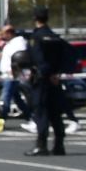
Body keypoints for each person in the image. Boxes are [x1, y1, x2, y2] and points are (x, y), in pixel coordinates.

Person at [17, 15, 72, 156]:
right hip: (55, 80)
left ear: (35, 19)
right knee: (55, 113)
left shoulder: (36, 38)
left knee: (41, 110)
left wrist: (42, 73)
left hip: (41, 80)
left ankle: (41, 145)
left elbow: (38, 59)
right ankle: (59, 145)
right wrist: (58, 73)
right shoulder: (55, 37)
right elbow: (68, 55)